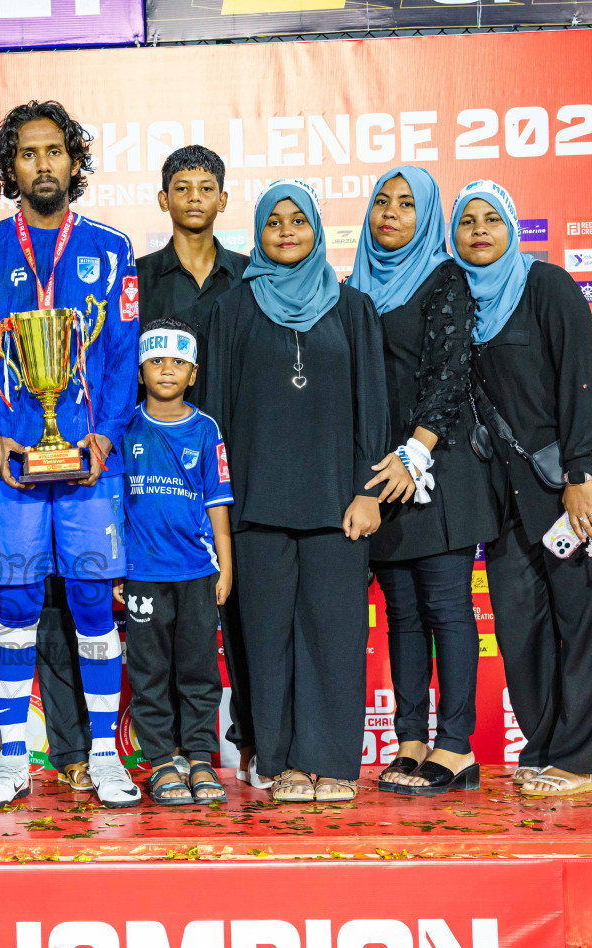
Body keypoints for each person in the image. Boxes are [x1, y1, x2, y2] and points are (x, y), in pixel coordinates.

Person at [0, 100, 140, 809]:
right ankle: (10, 759)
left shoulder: (110, 249)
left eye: (53, 151)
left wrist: (103, 434)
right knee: (18, 605)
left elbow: (121, 355)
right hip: (11, 465)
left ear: (74, 161)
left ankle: (101, 755)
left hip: (89, 459)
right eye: (27, 154)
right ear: (11, 169)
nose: (41, 165)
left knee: (93, 600)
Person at [451, 180, 592, 798]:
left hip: (572, 486)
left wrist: (581, 478)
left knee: (584, 622)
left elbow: (582, 383)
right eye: (467, 221)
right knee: (520, 628)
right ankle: (544, 746)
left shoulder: (546, 285)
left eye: (492, 220)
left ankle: (582, 761)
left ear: (512, 228)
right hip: (507, 501)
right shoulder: (459, 306)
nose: (480, 230)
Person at [206, 179, 387, 804]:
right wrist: (219, 503)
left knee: (334, 634)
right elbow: (215, 417)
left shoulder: (353, 306)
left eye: (298, 221)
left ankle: (332, 761)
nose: (286, 231)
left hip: (339, 503)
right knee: (264, 636)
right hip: (255, 506)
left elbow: (374, 410)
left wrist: (369, 492)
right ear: (257, 233)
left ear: (316, 230)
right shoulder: (231, 308)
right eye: (274, 222)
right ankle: (281, 760)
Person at [350, 167, 499, 796]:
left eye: (408, 205)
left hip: (439, 468)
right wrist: (381, 469)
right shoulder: (352, 288)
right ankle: (411, 739)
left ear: (428, 217)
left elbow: (447, 375)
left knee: (445, 607)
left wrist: (416, 453)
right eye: (382, 202)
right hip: (384, 474)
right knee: (402, 614)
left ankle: (456, 746)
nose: (391, 213)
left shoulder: (446, 281)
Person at [136, 145, 264, 789]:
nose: (192, 196)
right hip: (153, 478)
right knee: (161, 643)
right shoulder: (137, 277)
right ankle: (164, 755)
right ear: (163, 200)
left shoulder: (250, 276)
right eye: (180, 186)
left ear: (222, 198)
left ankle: (241, 745)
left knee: (233, 617)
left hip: (236, 463)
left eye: (205, 186)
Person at [118, 321, 234, 805]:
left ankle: (201, 757)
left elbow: (218, 504)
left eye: (178, 362)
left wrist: (225, 566)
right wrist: (113, 568)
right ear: (141, 370)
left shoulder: (206, 430)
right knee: (149, 672)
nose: (167, 370)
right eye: (156, 361)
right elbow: (112, 506)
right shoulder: (123, 426)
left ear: (193, 373)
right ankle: (163, 760)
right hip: (143, 574)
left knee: (199, 670)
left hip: (197, 572)